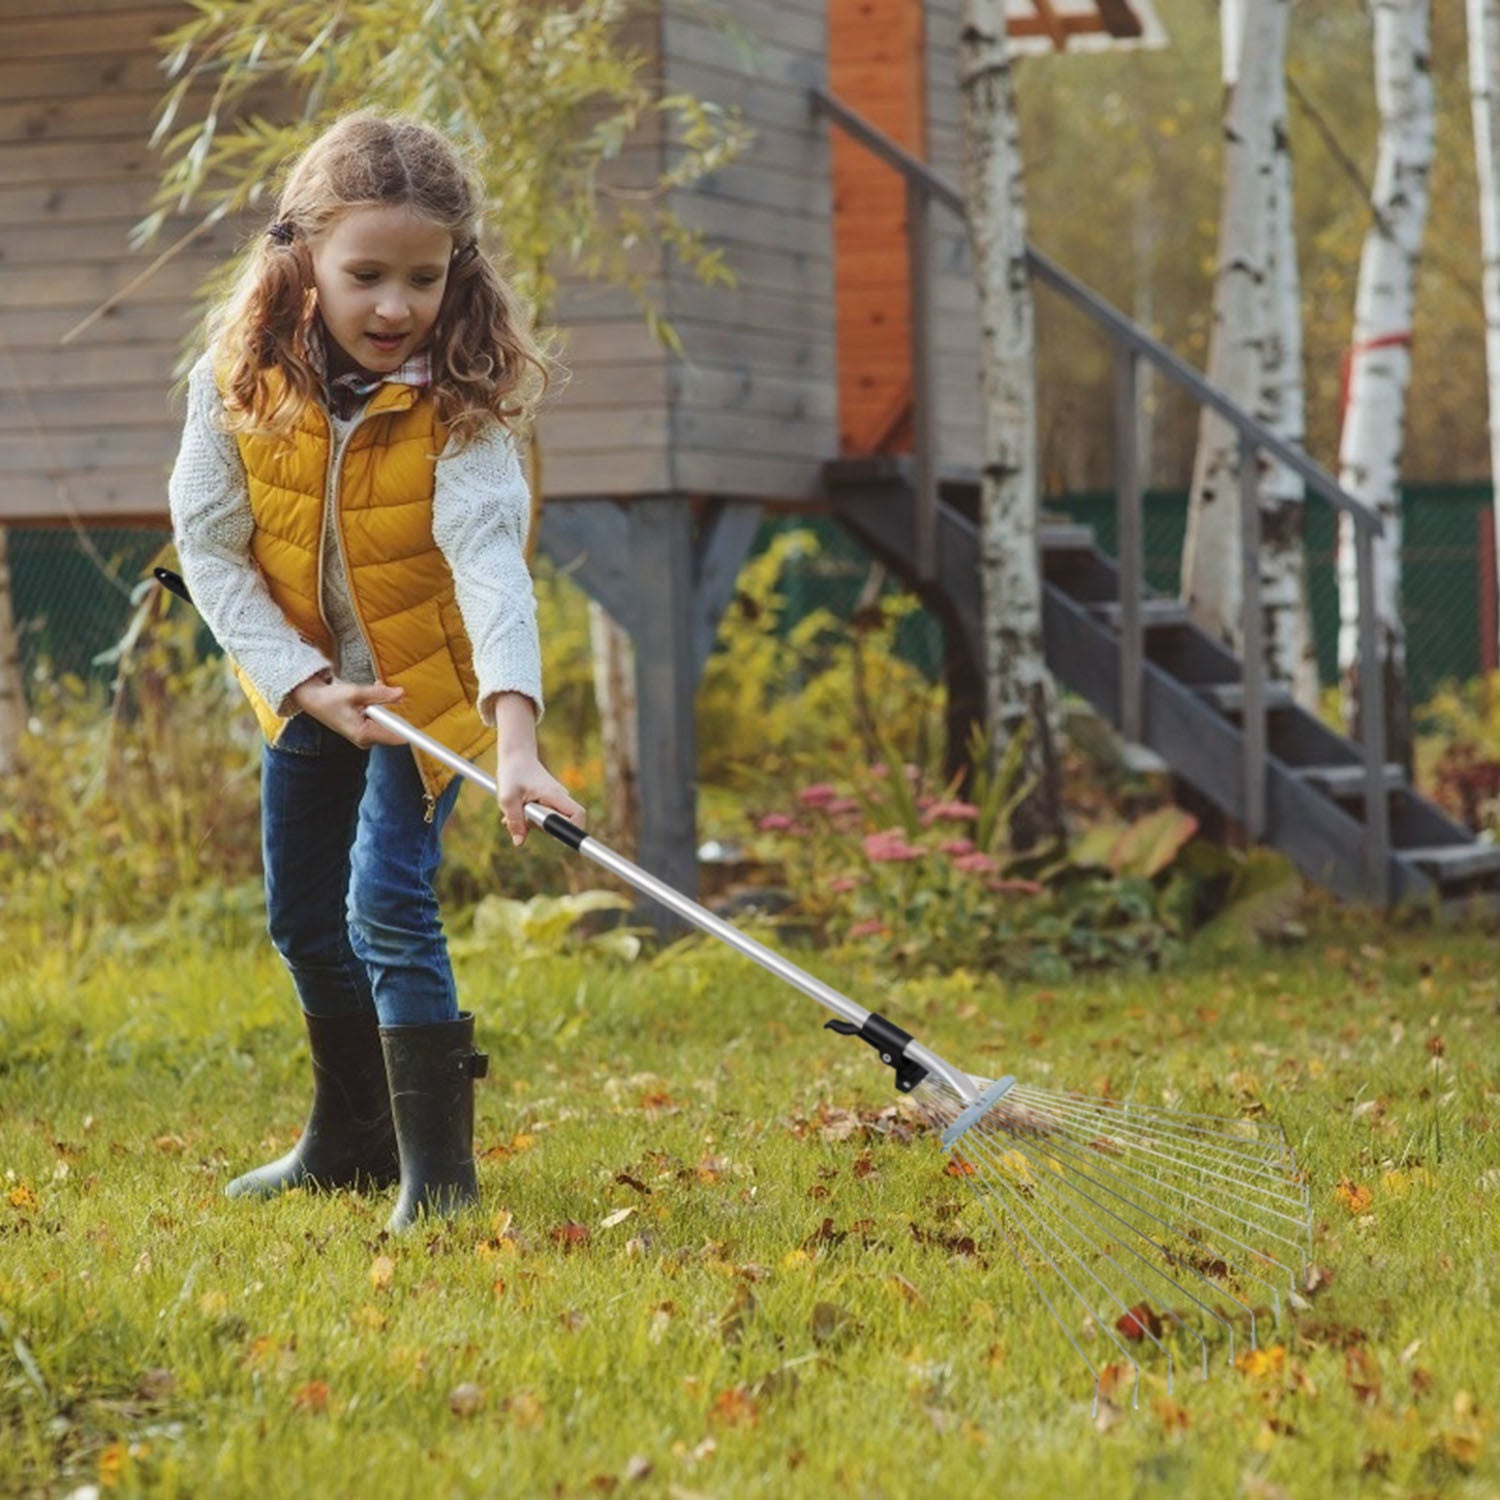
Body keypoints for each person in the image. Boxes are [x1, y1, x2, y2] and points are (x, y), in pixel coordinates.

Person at [167, 111, 584, 1233]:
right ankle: (349, 1139)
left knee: (386, 906)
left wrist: (515, 740)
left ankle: (440, 1183)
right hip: (305, 685)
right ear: (300, 257)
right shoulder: (237, 385)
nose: (396, 307)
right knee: (304, 920)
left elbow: (490, 569)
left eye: (424, 277)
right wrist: (305, 687)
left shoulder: (460, 407)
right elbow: (209, 548)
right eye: (366, 275)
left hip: (427, 696)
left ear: (460, 273)